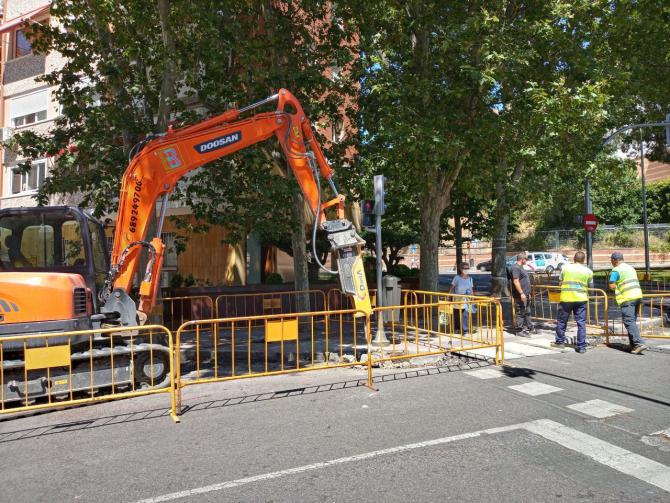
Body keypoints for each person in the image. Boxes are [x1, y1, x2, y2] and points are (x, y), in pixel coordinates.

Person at [551, 251, 593, 353]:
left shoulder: (565, 268)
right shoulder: (588, 271)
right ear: (583, 260)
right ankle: (581, 346)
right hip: (581, 299)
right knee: (581, 323)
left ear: (574, 259)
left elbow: (560, 282)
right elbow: (590, 287)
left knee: (562, 321)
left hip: (566, 299)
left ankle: (560, 342)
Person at [609, 252, 646, 354]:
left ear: (614, 260)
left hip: (627, 298)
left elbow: (612, 285)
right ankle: (633, 345)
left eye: (611, 261)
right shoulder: (631, 268)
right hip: (637, 296)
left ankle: (638, 343)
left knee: (629, 321)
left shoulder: (615, 270)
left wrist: (615, 288)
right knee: (632, 321)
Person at [511, 252, 534, 337]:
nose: (526, 261)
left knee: (527, 311)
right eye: (525, 259)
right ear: (522, 259)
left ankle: (530, 327)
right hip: (520, 295)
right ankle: (519, 330)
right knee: (520, 312)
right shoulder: (515, 268)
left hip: (525, 294)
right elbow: (516, 281)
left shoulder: (521, 267)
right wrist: (521, 293)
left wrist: (528, 293)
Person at [449, 262, 474, 333]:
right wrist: (448, 296)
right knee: (457, 315)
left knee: (465, 315)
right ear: (461, 269)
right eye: (464, 268)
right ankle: (457, 328)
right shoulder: (457, 278)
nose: (466, 269)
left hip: (466, 299)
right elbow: (452, 287)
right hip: (457, 298)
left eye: (467, 268)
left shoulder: (470, 279)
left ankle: (465, 329)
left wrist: (472, 297)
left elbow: (471, 289)